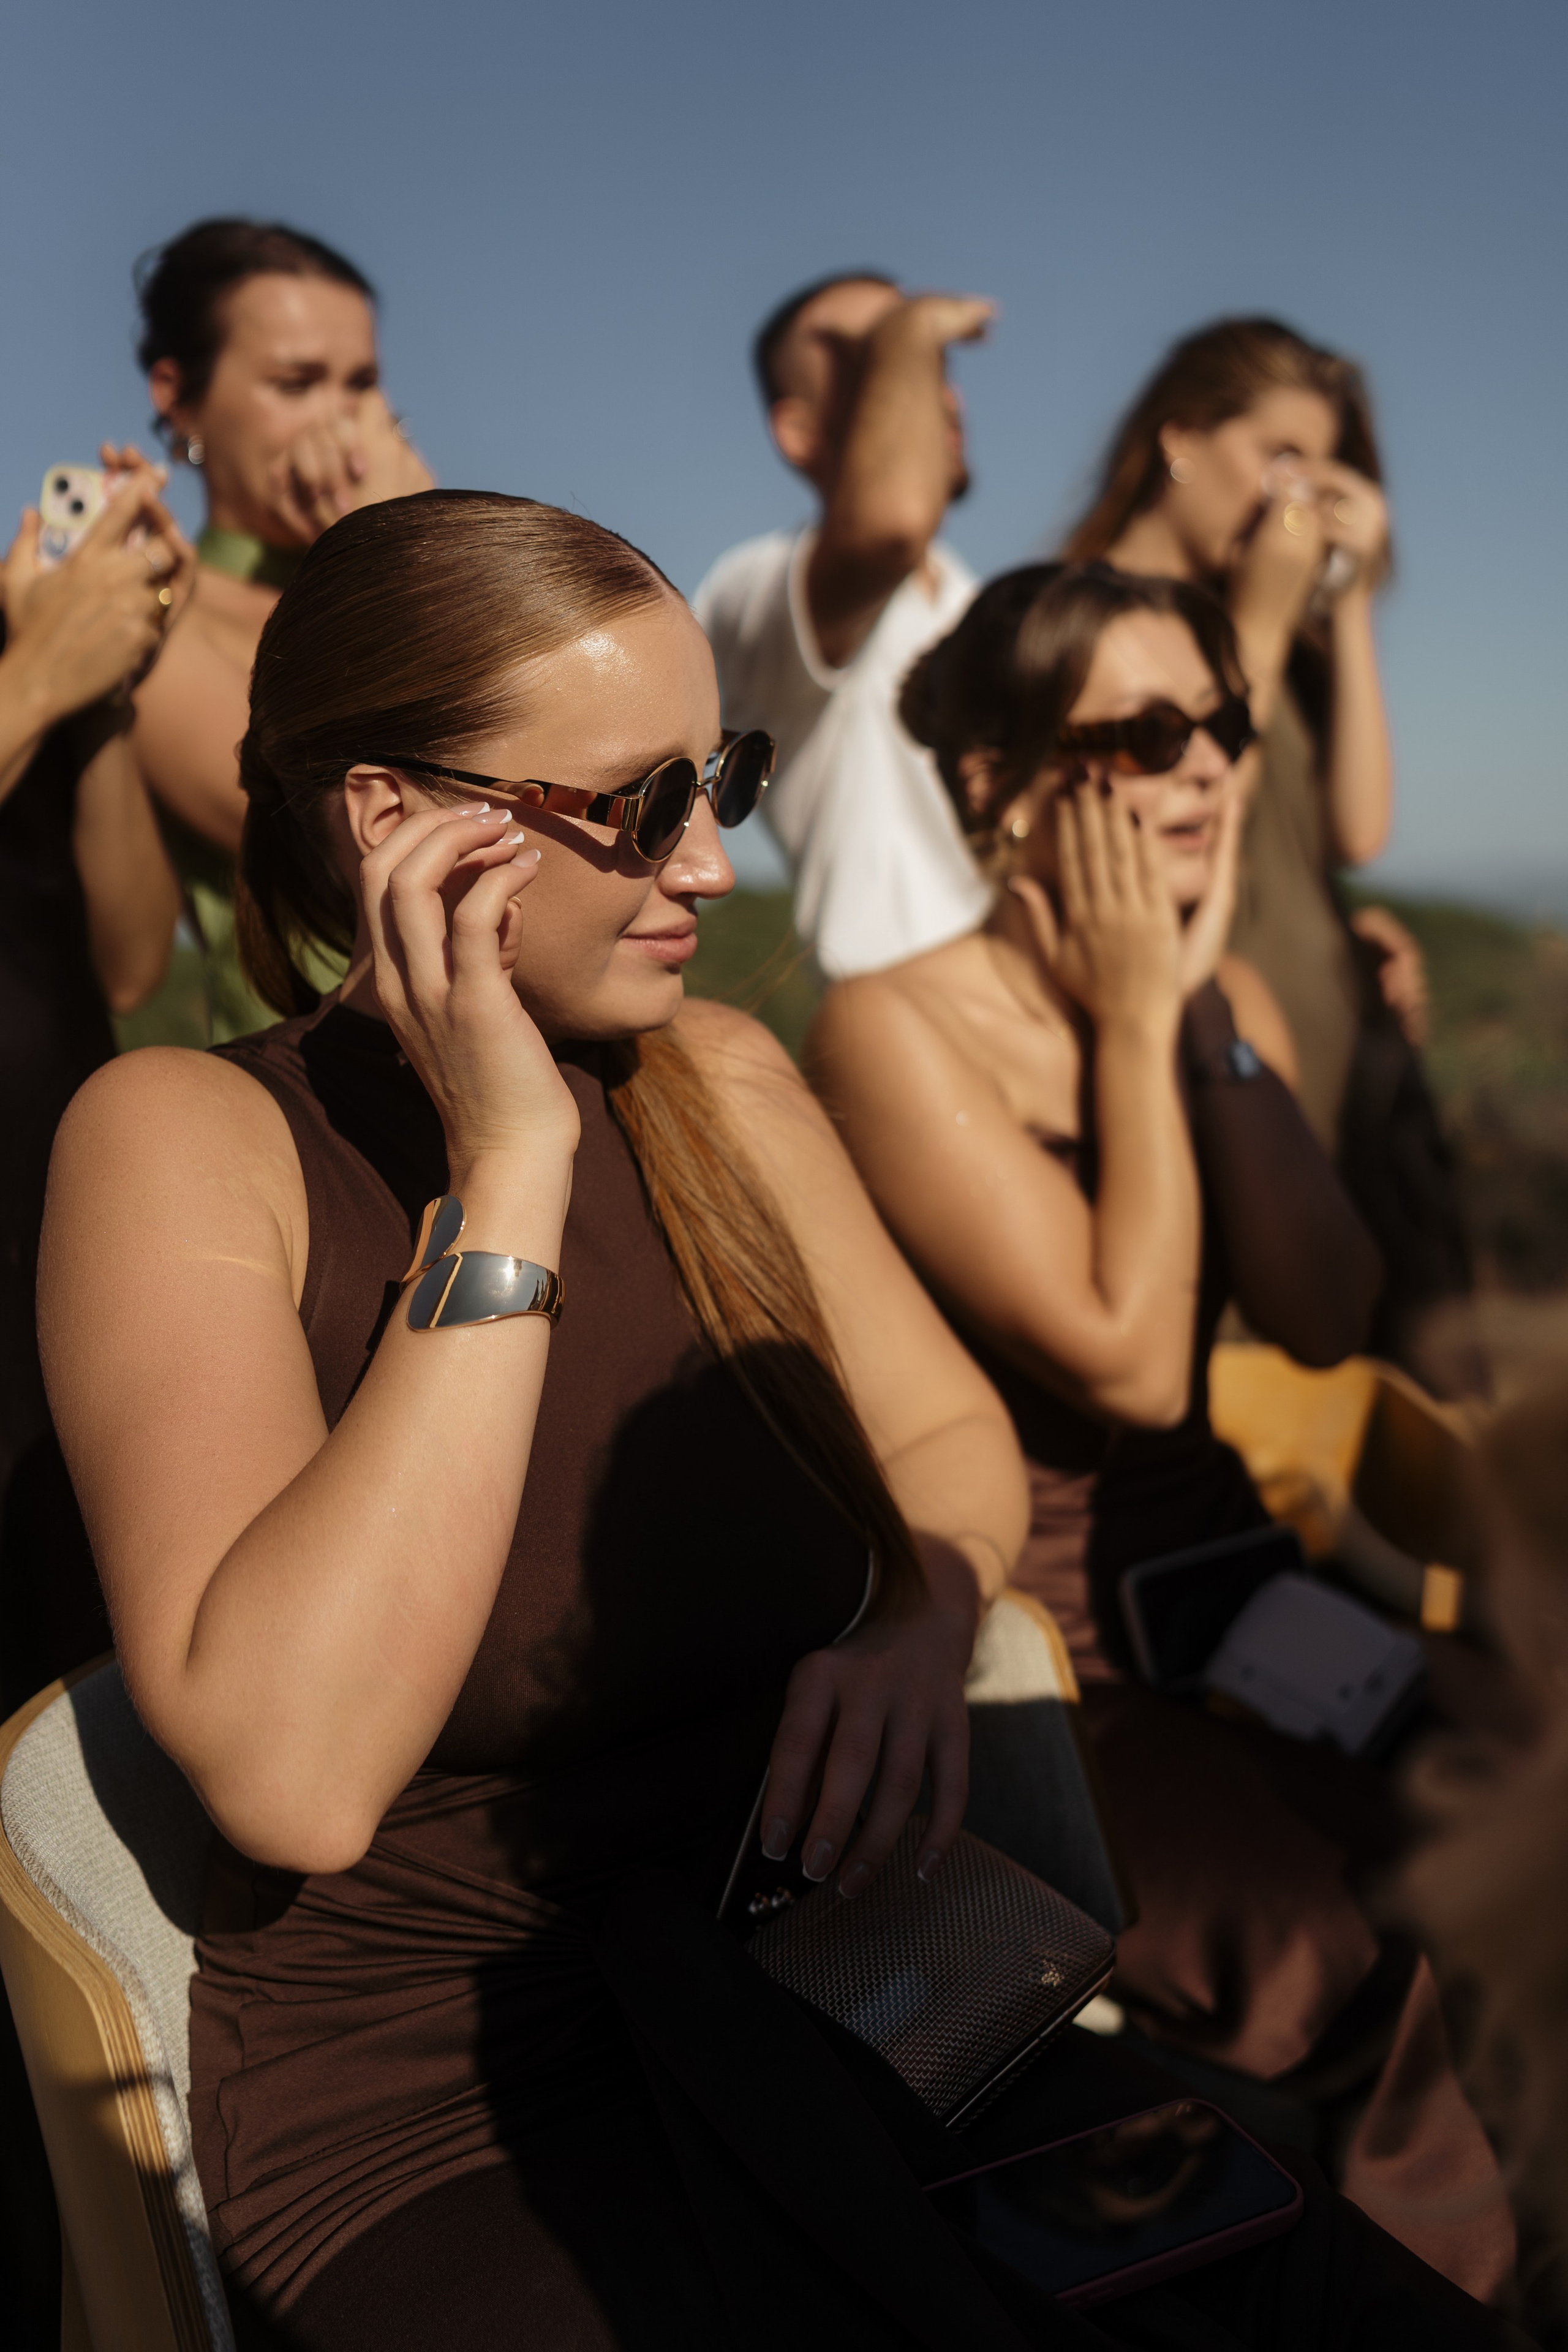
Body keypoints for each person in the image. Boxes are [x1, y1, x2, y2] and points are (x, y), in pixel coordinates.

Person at [38, 492, 1523, 2351]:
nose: (715, 863)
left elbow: (949, 1445)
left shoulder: (716, 1083)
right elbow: (295, 1773)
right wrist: (507, 1175)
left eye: (719, 775)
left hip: (859, 1985)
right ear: (392, 819)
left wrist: (918, 1611)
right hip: (445, 2116)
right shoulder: (189, 1140)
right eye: (639, 802)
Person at [805, 560, 1515, 2302]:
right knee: (1365, 1932)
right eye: (1141, 733)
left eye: (1222, 721)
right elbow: (1128, 1364)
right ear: (995, 784)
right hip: (1048, 1666)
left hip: (1241, 1591)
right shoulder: (894, 1027)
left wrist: (1203, 1026)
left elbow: (1326, 1311)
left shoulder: (1225, 1004)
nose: (1203, 764)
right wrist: (1137, 1019)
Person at [1059, 319, 1468, 1369]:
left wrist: (1350, 602)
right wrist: (1267, 619)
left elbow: (1356, 831)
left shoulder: (1279, 630)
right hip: (1193, 1045)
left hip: (1324, 1038)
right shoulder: (1075, 629)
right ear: (1181, 439)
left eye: (1323, 472)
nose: (1297, 497)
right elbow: (1191, 790)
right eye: (1280, 456)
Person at [129, 216, 432, 1039]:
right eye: (295, 385)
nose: (338, 424)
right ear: (179, 398)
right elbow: (355, 832)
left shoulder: (403, 556)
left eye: (359, 385)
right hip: (309, 1079)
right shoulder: (155, 616)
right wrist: (387, 554)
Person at [0, 449, 195, 1708]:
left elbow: (129, 957)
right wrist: (33, 682)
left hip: (42, 1230)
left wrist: (102, 697)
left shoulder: (26, 624)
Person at [693, 271, 995, 979]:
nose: (937, 394)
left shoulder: (969, 596)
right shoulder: (756, 587)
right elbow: (890, 523)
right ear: (799, 432)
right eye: (883, 361)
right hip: (894, 1013)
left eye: (931, 365)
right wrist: (914, 323)